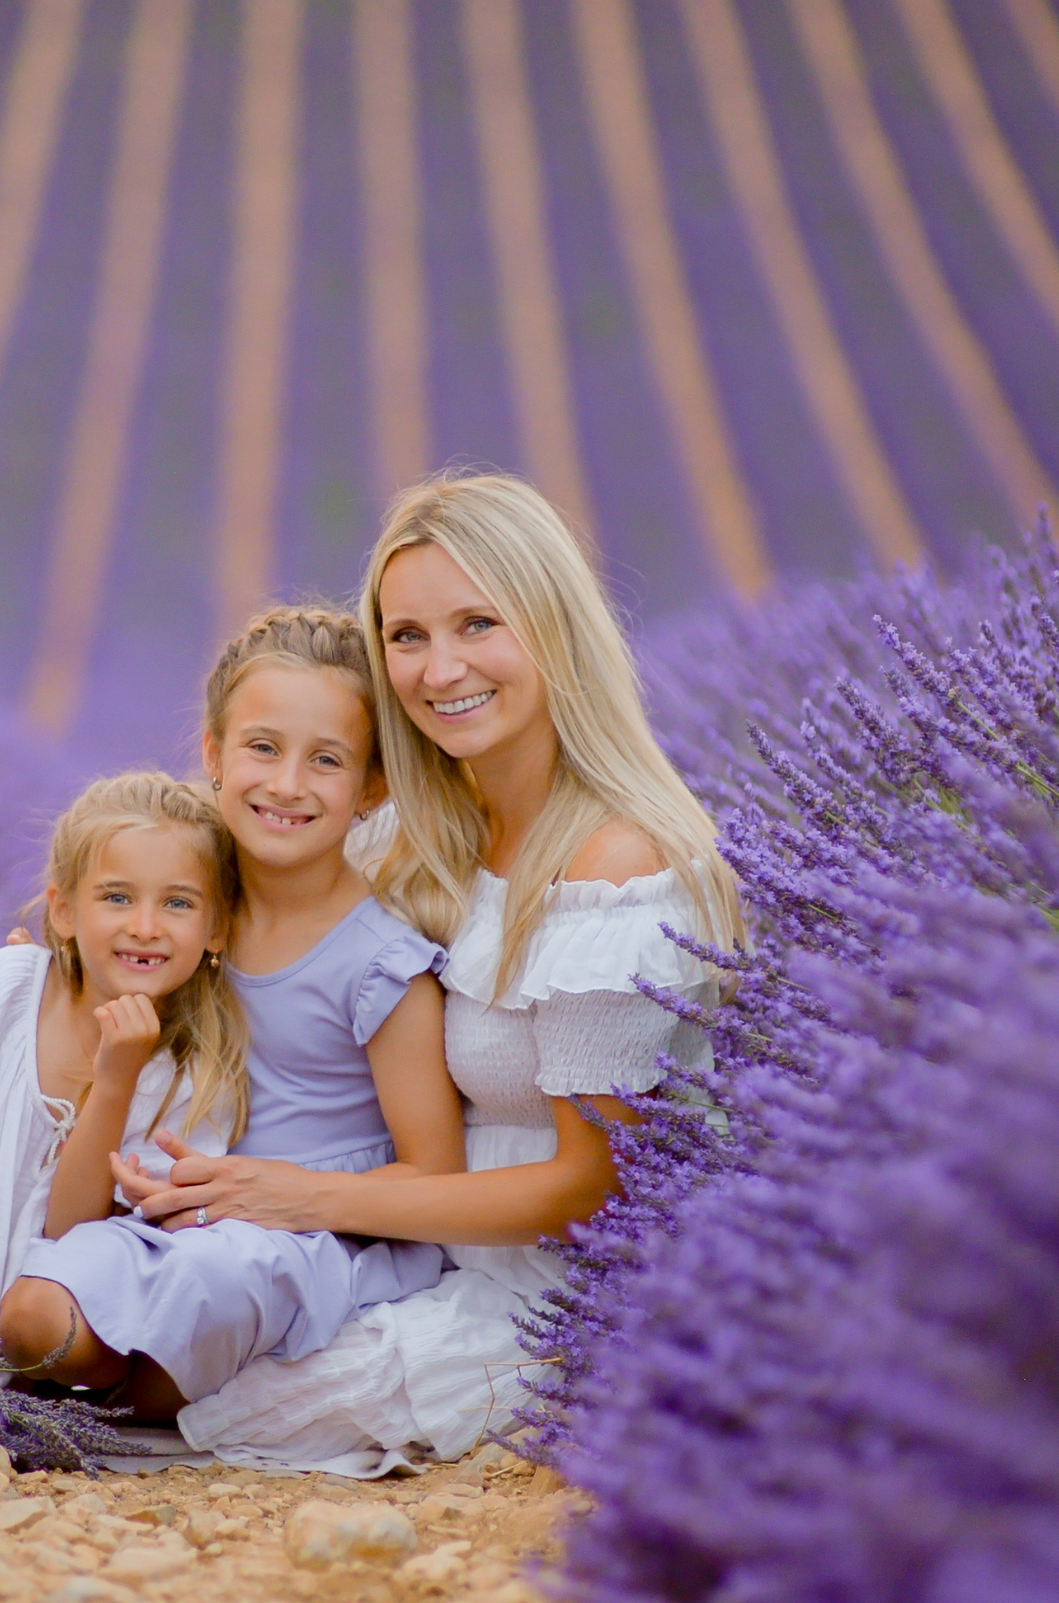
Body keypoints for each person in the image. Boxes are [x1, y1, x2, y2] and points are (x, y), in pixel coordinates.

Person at [127, 472, 746, 1472]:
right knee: (137, 1319)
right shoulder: (423, 842)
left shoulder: (610, 867)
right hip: (414, 1255)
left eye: (476, 625)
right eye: (407, 636)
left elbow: (594, 1189)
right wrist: (44, 967)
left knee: (177, 1394)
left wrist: (306, 1199)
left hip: (555, 1299)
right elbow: (224, 914)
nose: (437, 667)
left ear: (552, 628)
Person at [0, 609, 465, 1420]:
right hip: (171, 1210)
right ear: (214, 755)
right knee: (30, 1314)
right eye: (262, 747)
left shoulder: (380, 964)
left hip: (312, 1235)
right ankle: (81, 1380)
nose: (287, 784)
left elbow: (437, 1177)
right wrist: (11, 978)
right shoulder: (187, 898)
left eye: (326, 760)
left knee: (181, 1325)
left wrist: (289, 1193)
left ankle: (115, 1395)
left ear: (372, 786)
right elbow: (89, 948)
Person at [0, 771, 243, 1341]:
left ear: (216, 928)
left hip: (28, 1354)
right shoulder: (13, 991)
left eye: (177, 903)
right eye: (116, 897)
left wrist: (115, 1082)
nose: (145, 927)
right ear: (64, 911)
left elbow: (74, 1241)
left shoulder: (194, 1080)